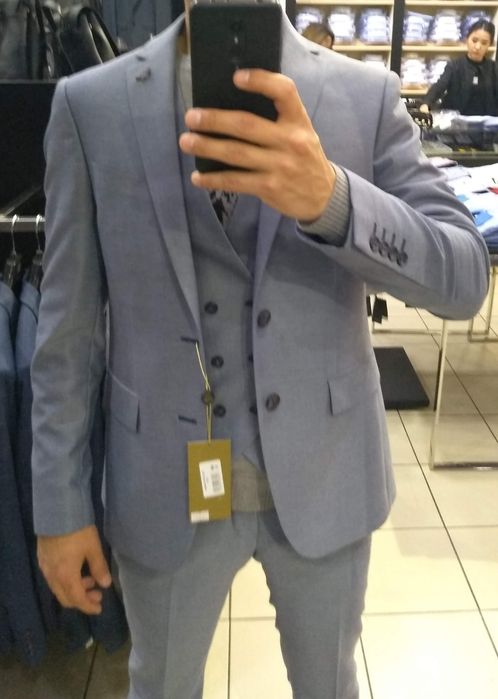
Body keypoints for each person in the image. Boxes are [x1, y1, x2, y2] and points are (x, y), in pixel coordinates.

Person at [31, 1, 489, 698]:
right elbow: (65, 329)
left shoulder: (365, 96)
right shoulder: (91, 105)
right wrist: (59, 507)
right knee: (160, 685)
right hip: (161, 478)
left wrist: (333, 199)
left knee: (328, 685)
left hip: (327, 471)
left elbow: (464, 278)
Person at [420, 19, 498, 115]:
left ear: (490, 45)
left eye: (484, 43)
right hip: (456, 119)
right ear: (467, 39)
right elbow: (440, 86)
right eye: (474, 40)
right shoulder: (454, 66)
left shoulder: (494, 69)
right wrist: (426, 104)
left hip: (487, 121)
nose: (478, 47)